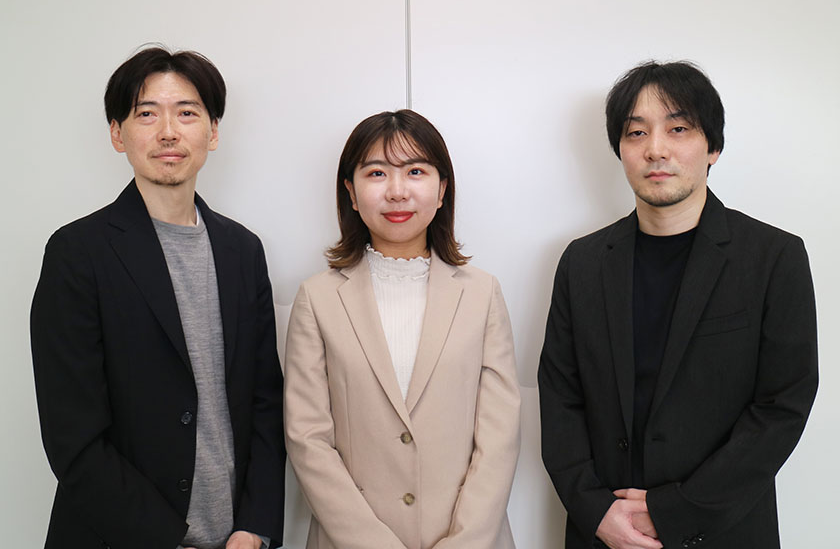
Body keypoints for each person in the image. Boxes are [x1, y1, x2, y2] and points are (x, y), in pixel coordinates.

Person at [538, 61, 818, 549]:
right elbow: (560, 398)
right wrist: (596, 511)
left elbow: (782, 407)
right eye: (636, 132)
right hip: (603, 532)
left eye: (678, 128)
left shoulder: (774, 257)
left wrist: (675, 511)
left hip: (724, 532)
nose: (656, 149)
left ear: (713, 147)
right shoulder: (582, 262)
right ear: (620, 150)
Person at [30, 46, 285, 549]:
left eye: (187, 113)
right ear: (117, 134)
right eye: (146, 114)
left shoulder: (243, 250)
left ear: (212, 131)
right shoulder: (77, 252)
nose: (168, 131)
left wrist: (255, 525)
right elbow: (72, 437)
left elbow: (264, 402)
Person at [284, 109, 521, 549]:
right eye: (377, 173)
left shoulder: (482, 293)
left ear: (442, 189)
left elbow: (499, 438)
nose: (397, 191)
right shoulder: (317, 299)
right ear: (352, 193)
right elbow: (308, 440)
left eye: (415, 171)